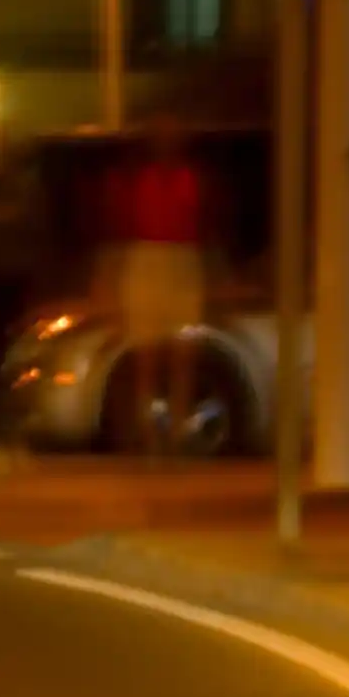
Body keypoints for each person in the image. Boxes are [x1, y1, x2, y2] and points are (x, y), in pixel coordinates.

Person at [106, 116, 210, 452]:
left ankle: (179, 428)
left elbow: (207, 227)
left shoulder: (192, 177)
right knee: (147, 355)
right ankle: (149, 432)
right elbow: (120, 230)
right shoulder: (137, 179)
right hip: (147, 259)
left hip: (183, 260)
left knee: (184, 354)